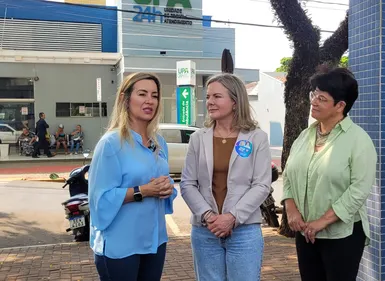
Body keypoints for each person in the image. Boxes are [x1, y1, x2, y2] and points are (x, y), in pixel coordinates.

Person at [281, 67, 377, 281]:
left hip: (342, 235)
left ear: (340, 106)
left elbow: (358, 190)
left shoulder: (359, 141)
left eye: (322, 98)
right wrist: (292, 209)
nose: (314, 101)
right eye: (313, 94)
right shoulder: (305, 136)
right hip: (306, 232)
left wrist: (322, 221)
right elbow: (288, 174)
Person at [180, 73, 272, 281]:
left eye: (217, 97)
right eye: (208, 97)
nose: (210, 102)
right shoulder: (197, 138)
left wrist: (232, 217)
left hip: (245, 231)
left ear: (235, 101)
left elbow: (261, 185)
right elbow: (187, 183)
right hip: (205, 230)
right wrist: (208, 216)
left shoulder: (257, 137)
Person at [88, 72, 177, 281]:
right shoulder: (111, 144)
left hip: (155, 241)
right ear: (125, 99)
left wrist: (167, 188)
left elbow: (164, 185)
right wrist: (143, 191)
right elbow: (99, 201)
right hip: (121, 245)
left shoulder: (159, 143)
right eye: (142, 94)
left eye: (154, 95)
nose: (150, 101)